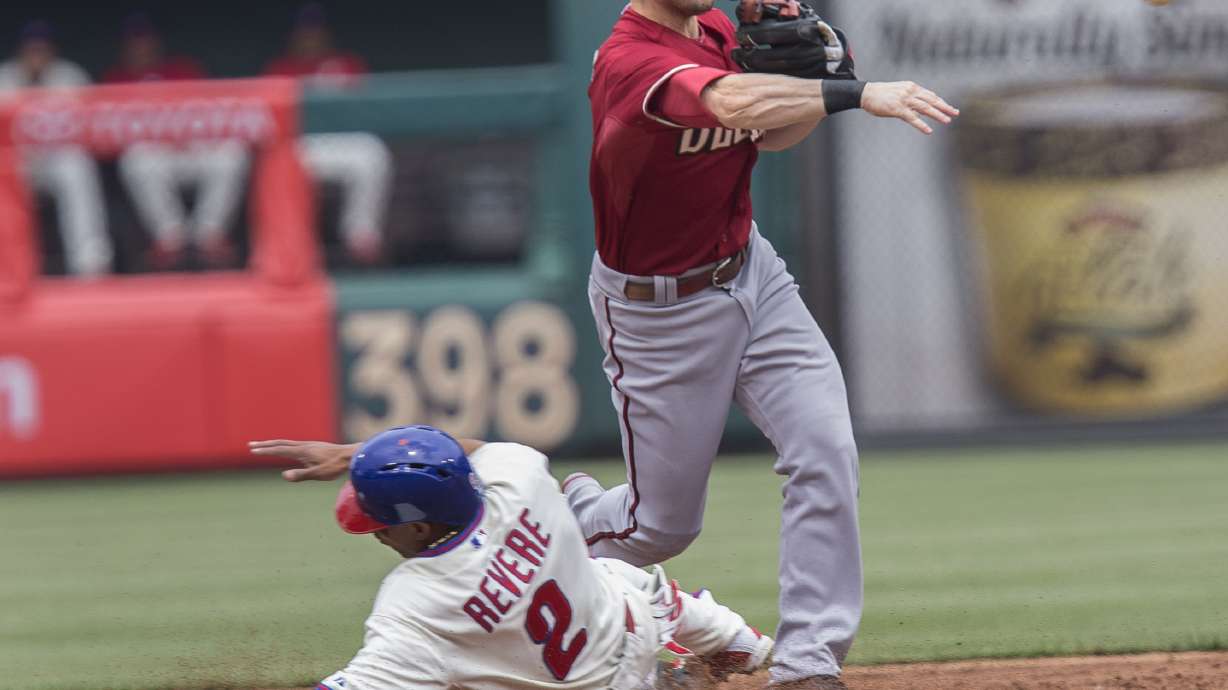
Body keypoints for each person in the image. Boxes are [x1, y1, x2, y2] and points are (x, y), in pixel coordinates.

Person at [569, 2, 960, 688]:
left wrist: (820, 75)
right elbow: (728, 98)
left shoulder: (718, 28)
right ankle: (558, 525)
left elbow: (768, 135)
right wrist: (854, 93)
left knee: (825, 448)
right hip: (660, 312)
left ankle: (808, 663)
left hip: (752, 272)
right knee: (658, 529)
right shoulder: (631, 61)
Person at [250, 425, 774, 689]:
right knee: (617, 575)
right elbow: (466, 447)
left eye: (381, 524)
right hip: (633, 625)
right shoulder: (519, 475)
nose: (375, 534)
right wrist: (358, 450)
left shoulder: (416, 602)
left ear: (417, 526)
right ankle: (743, 646)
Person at [104, 13, 249, 271]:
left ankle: (209, 233)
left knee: (232, 153)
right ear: (125, 47)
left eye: (146, 41)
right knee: (137, 159)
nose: (141, 47)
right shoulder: (116, 79)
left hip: (192, 149)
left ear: (156, 44)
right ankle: (170, 237)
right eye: (135, 42)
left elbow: (210, 110)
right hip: (154, 154)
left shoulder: (183, 70)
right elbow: (108, 133)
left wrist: (195, 136)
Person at [264, 2, 391, 266]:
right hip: (302, 143)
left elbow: (364, 108)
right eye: (304, 33)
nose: (310, 39)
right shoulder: (281, 69)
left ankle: (360, 234)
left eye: (315, 32)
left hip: (342, 139)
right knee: (284, 165)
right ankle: (298, 243)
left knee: (372, 153)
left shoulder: (347, 65)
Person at [0, 20, 112, 277]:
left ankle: (90, 264)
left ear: (51, 51)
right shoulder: (4, 78)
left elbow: (89, 126)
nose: (36, 55)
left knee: (77, 167)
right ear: (21, 51)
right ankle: (6, 268)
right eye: (32, 49)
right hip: (17, 161)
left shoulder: (70, 77)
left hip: (57, 157)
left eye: (42, 49)